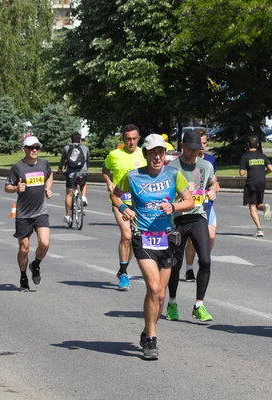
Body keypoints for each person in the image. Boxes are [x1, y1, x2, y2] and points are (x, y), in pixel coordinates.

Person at [111, 134, 194, 360]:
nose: (157, 156)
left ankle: (147, 329)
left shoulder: (173, 174)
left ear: (164, 154)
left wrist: (174, 206)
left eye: (161, 152)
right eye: (153, 153)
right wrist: (124, 208)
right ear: (146, 154)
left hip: (167, 238)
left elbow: (191, 201)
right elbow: (116, 195)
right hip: (143, 237)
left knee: (160, 297)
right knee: (154, 288)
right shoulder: (133, 176)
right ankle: (151, 339)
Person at [166, 129, 219, 322]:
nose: (193, 153)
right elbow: (164, 195)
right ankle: (172, 302)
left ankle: (199, 304)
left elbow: (213, 183)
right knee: (176, 264)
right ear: (182, 147)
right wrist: (179, 196)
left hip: (198, 217)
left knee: (205, 260)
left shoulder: (205, 165)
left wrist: (213, 190)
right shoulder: (171, 168)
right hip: (178, 219)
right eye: (189, 150)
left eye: (197, 149)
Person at [4, 136, 53, 291]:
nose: (34, 150)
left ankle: (36, 264)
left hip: (40, 211)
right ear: (23, 149)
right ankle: (23, 275)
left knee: (44, 243)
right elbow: (7, 187)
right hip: (24, 214)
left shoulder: (44, 164)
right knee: (24, 248)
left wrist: (48, 188)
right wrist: (16, 189)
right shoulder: (18, 167)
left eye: (37, 147)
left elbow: (50, 174)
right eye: (31, 147)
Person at [102, 124, 147, 291]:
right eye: (128, 139)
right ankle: (124, 274)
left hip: (140, 202)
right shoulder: (114, 155)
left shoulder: (144, 154)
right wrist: (109, 182)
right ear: (123, 139)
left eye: (134, 138)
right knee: (126, 235)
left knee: (134, 237)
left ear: (139, 138)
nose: (131, 142)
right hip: (120, 200)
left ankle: (122, 270)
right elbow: (105, 169)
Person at [184, 128, 217, 282]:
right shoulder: (182, 162)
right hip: (188, 206)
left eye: (203, 143)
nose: (201, 147)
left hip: (206, 204)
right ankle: (189, 268)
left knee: (210, 235)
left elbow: (214, 181)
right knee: (191, 240)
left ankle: (203, 258)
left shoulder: (210, 160)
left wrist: (213, 190)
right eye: (198, 144)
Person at [239, 134, 272, 237]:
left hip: (251, 183)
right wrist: (263, 173)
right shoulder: (262, 156)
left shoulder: (245, 156)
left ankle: (259, 229)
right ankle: (264, 207)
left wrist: (244, 170)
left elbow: (242, 173)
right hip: (262, 182)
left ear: (247, 144)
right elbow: (271, 169)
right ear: (258, 145)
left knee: (252, 206)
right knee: (259, 203)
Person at [57, 132, 90, 225]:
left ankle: (68, 216)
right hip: (83, 173)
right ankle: (83, 196)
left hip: (71, 174)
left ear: (71, 140)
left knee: (69, 194)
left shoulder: (67, 148)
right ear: (80, 140)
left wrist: (59, 169)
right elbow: (87, 161)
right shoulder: (85, 148)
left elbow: (62, 161)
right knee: (84, 183)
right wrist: (85, 170)